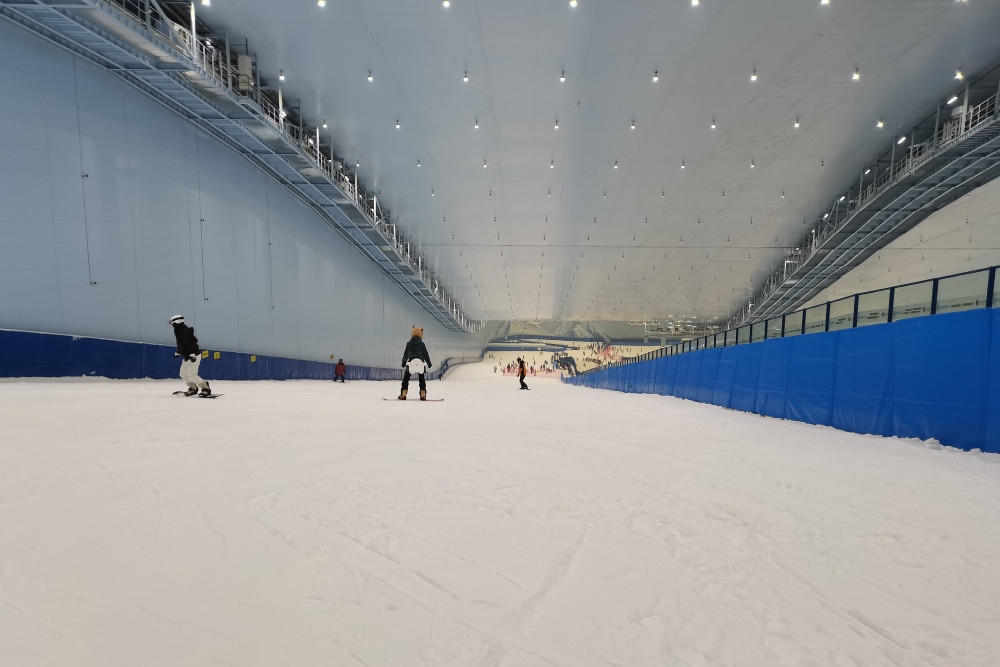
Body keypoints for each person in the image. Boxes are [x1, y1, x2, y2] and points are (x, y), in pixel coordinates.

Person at [169, 314, 210, 396]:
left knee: (192, 375)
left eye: (172, 323)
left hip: (193, 356)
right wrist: (179, 352)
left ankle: (206, 388)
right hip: (187, 356)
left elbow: (192, 343)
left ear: (176, 322)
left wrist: (192, 354)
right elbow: (182, 344)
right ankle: (193, 388)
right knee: (183, 374)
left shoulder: (184, 331)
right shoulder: (179, 331)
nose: (172, 325)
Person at [399, 326, 432, 400]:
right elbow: (426, 355)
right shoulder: (422, 344)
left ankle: (403, 392)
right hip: (420, 364)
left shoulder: (409, 343)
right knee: (421, 379)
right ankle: (423, 392)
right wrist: (429, 363)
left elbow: (406, 354)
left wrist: (403, 363)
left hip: (411, 364)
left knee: (406, 379)